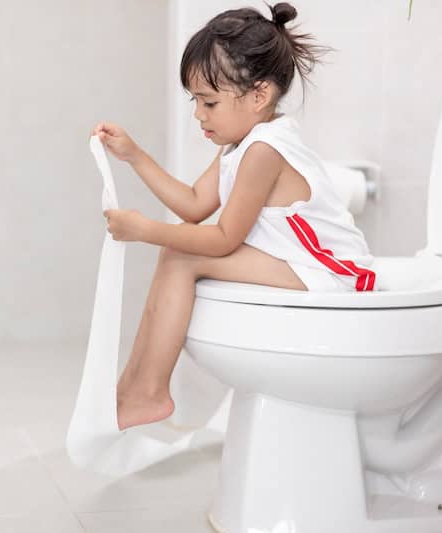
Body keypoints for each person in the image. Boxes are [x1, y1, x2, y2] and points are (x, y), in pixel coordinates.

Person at [90, 2, 376, 431]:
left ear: (259, 95)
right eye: (195, 101)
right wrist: (135, 156)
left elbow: (223, 238)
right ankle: (136, 388)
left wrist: (145, 230)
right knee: (178, 254)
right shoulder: (241, 143)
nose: (198, 114)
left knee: (181, 255)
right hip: (300, 265)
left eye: (208, 102)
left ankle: (145, 392)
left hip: (332, 271)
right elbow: (192, 204)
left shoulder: (263, 151)